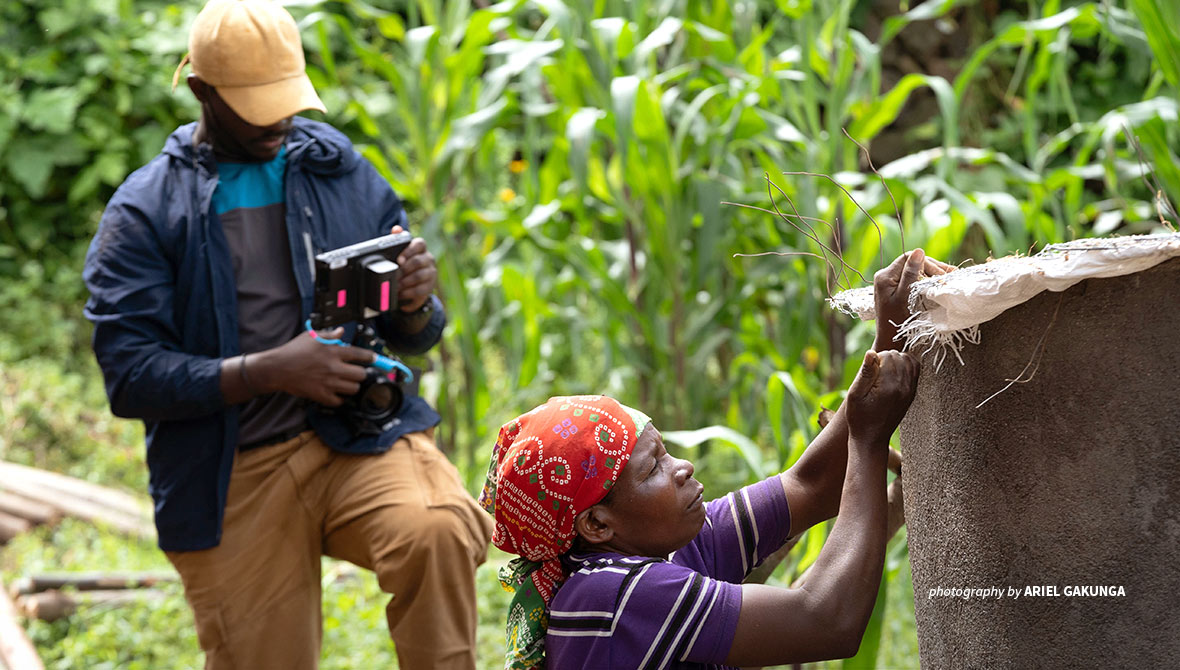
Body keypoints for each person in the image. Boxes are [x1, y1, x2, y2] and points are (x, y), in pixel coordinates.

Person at [82, 1, 492, 668]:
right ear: (201, 92)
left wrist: (415, 302)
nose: (279, 120)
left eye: (287, 99)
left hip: (356, 438)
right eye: (256, 104)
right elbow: (130, 378)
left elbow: (410, 332)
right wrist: (273, 369)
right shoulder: (146, 212)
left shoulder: (339, 172)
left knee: (437, 527)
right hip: (233, 469)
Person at [479, 249, 953, 669]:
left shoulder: (668, 544)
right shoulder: (609, 597)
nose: (682, 467)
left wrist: (890, 337)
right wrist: (869, 440)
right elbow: (828, 621)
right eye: (653, 470)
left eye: (665, 453)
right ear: (598, 525)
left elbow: (811, 486)